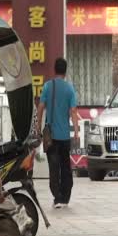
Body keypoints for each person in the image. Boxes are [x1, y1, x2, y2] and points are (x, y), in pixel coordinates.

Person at [36, 58, 79, 209]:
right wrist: (76, 131)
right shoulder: (69, 89)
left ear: (55, 70)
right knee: (65, 166)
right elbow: (73, 110)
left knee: (54, 168)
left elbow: (41, 107)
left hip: (51, 137)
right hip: (65, 136)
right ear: (65, 71)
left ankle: (57, 197)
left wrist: (37, 125)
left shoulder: (48, 86)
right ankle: (65, 197)